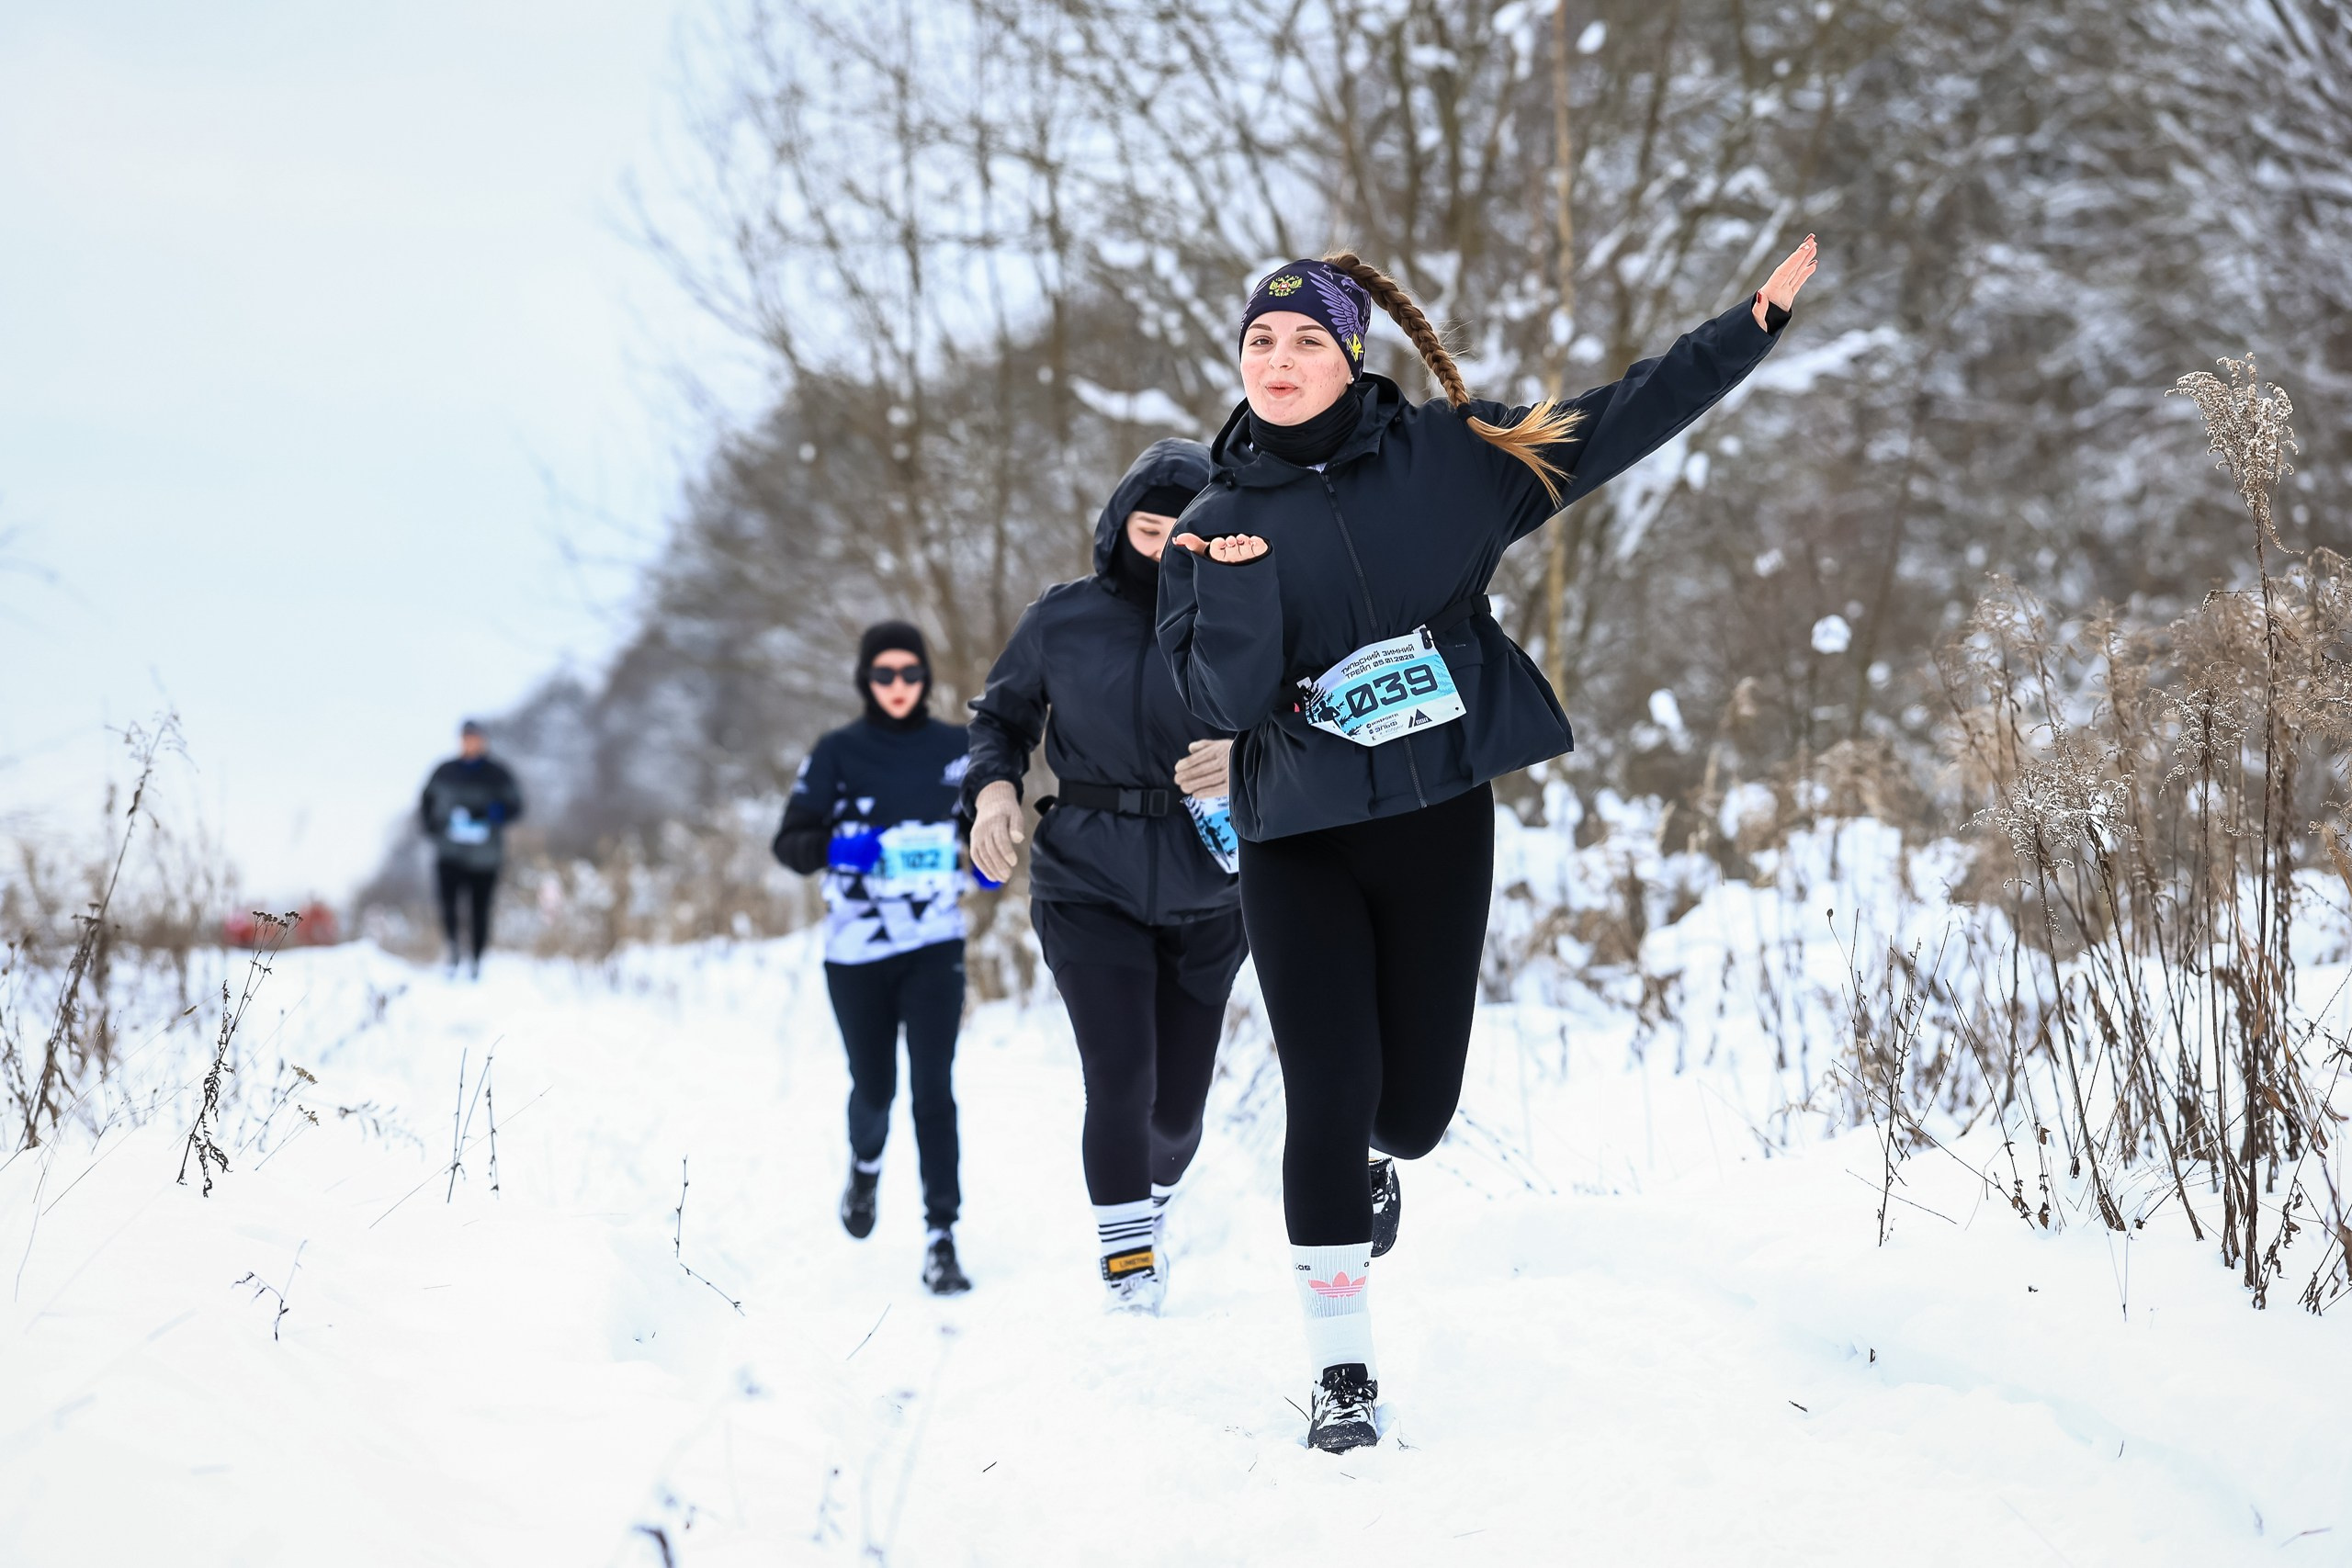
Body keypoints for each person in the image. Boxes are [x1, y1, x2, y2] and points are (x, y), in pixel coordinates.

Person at [1158, 240, 1820, 1450]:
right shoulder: (1208, 524)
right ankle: (1342, 1372)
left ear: (1353, 358)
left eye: (1308, 338)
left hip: (1436, 819)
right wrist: (1242, 590)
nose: (1280, 359)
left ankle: (1375, 1166)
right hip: (1296, 835)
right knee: (1327, 1089)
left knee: (1408, 1114)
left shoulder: (1454, 461)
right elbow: (1217, 705)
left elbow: (1613, 421)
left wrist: (1753, 323)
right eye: (1261, 339)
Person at [964, 439, 1247, 1314]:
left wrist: (1248, 756)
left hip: (1215, 887)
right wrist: (992, 792)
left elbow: (1306, 718)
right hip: (1087, 877)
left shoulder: (1248, 619)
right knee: (1120, 1074)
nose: (1159, 545)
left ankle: (1150, 1199)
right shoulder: (1062, 618)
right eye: (1145, 526)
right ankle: (1128, 1262)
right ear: (1118, 523)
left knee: (1176, 1116)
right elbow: (998, 720)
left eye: (1180, 530)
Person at [774, 622, 987, 1297]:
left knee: (934, 1087)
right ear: (865, 680)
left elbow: (987, 841)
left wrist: (985, 864)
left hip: (934, 946)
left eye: (911, 674)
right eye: (885, 674)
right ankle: (865, 1167)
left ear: (926, 678)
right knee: (875, 1089)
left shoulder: (959, 748)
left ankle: (940, 1236)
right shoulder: (838, 752)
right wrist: (846, 849)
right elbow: (790, 842)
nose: (899, 686)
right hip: (857, 952)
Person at [418, 720, 524, 978]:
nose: (470, 743)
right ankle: (453, 951)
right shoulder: (444, 771)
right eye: (466, 738)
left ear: (483, 741)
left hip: (485, 857)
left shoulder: (498, 774)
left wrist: (493, 813)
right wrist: (434, 827)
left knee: (480, 909)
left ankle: (476, 958)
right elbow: (426, 802)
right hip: (449, 853)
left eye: (474, 738)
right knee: (448, 905)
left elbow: (516, 805)